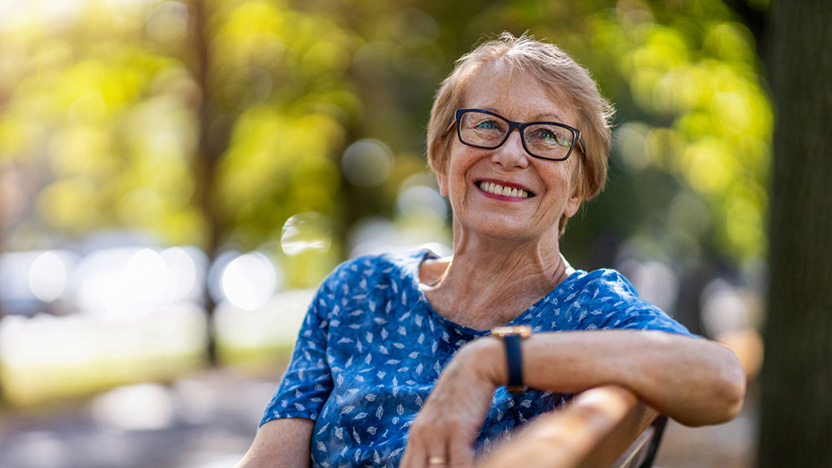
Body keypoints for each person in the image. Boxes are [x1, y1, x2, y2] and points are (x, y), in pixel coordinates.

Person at [236, 32, 745, 468]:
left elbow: (721, 380)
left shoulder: (590, 310)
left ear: (577, 188)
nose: (508, 154)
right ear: (441, 159)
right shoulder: (360, 290)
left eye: (546, 135)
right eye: (484, 124)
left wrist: (494, 361)